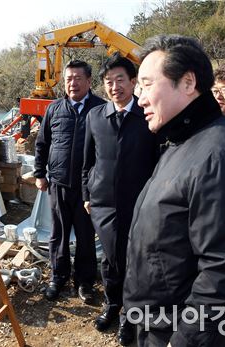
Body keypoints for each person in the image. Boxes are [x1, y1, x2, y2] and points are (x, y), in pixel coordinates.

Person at [123, 35, 225, 347]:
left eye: (147, 85)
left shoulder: (219, 155)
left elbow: (222, 272)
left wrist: (185, 340)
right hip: (153, 323)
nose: (140, 98)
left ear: (187, 82)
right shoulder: (180, 142)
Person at [81, 53, 157, 345]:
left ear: (134, 82)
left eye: (120, 80)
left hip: (139, 204)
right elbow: (87, 162)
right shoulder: (95, 116)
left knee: (132, 260)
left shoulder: (147, 114)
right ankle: (112, 304)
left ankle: (130, 315)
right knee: (110, 259)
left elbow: (160, 160)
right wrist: (87, 195)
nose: (115, 87)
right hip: (102, 204)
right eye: (109, 82)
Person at [34, 60, 105, 303]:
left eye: (77, 78)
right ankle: (58, 276)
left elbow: (106, 150)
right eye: (68, 79)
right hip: (59, 184)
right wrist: (39, 174)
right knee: (58, 234)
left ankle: (84, 283)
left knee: (86, 236)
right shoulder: (54, 109)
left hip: (88, 189)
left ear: (88, 81)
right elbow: (42, 143)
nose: (72, 83)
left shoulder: (101, 109)